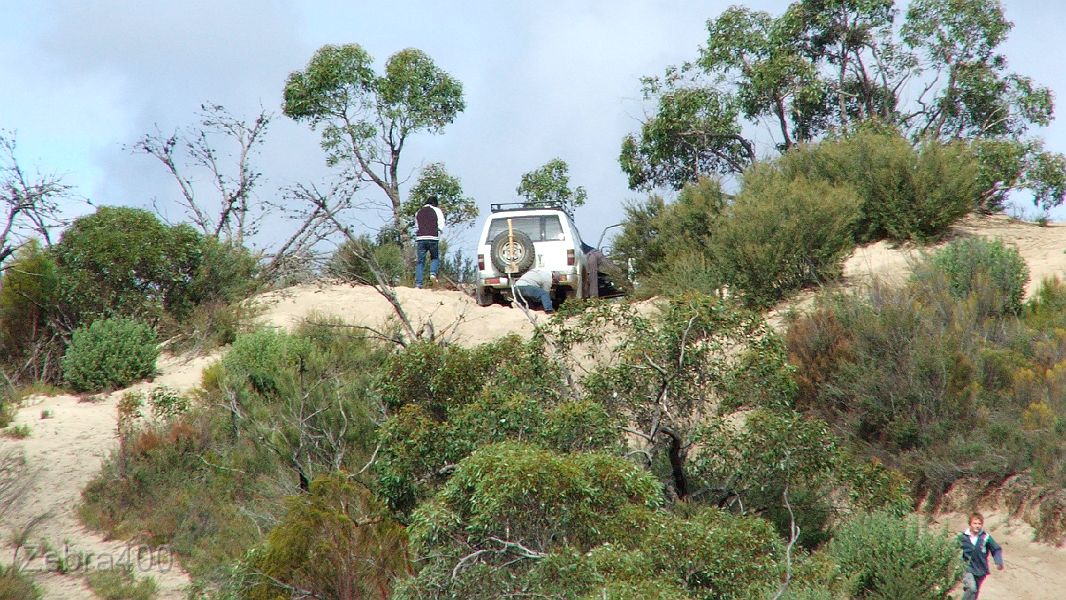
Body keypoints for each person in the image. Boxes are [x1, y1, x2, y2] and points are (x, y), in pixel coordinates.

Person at [958, 512, 1003, 600]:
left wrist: (998, 562)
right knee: (972, 588)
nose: (977, 526)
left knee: (975, 593)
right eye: (975, 523)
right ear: (970, 524)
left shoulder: (985, 537)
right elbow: (952, 549)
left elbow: (996, 549)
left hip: (981, 569)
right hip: (967, 568)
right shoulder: (963, 537)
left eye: (979, 524)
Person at [414, 196, 444, 288]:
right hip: (433, 237)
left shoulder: (418, 212)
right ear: (435, 203)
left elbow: (416, 226)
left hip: (421, 238)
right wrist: (438, 231)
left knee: (420, 262)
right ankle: (433, 273)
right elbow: (441, 224)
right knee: (434, 258)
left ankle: (418, 284)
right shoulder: (437, 210)